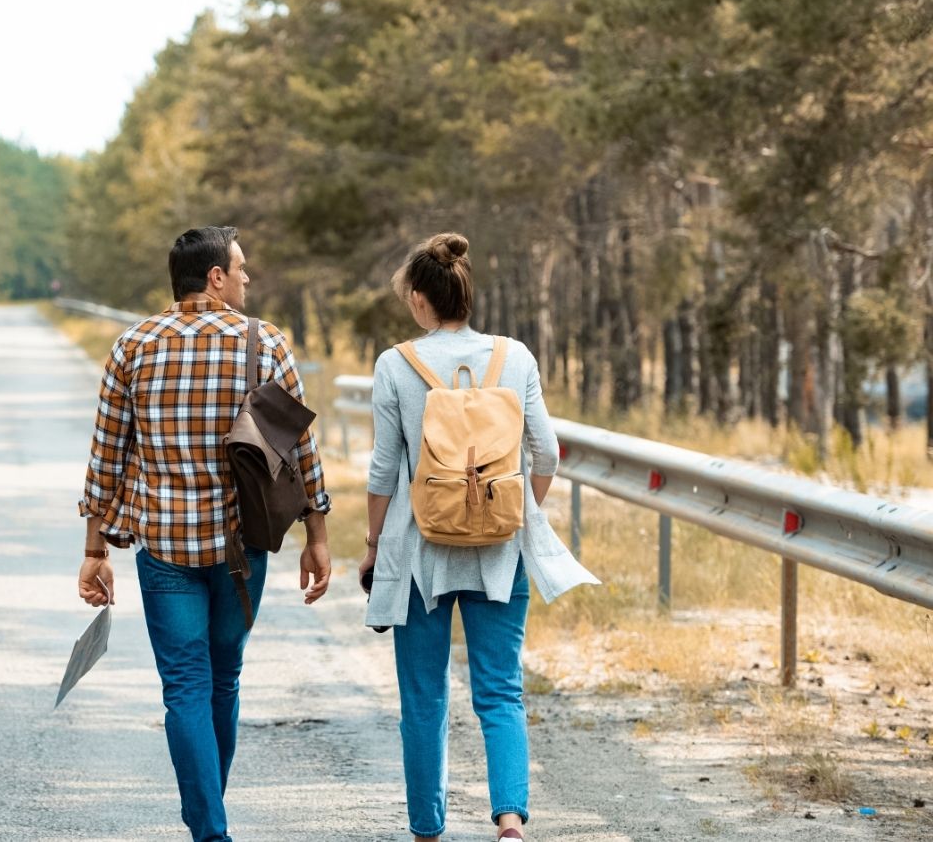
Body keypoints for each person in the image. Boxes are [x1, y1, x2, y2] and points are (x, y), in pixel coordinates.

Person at [76, 225, 334, 842]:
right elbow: (301, 448)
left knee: (185, 686)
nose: (248, 277)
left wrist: (94, 550)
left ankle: (209, 828)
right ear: (214, 277)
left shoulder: (132, 346)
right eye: (240, 268)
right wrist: (317, 535)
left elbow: (106, 457)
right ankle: (210, 822)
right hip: (242, 548)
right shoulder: (265, 342)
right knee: (224, 677)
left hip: (164, 549)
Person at [359, 233, 597, 842]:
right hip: (499, 550)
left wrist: (370, 543)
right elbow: (546, 450)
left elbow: (385, 468)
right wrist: (517, 512)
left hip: (419, 553)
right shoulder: (515, 358)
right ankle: (511, 821)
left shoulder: (395, 364)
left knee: (423, 696)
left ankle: (426, 827)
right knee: (499, 688)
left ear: (419, 299)